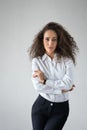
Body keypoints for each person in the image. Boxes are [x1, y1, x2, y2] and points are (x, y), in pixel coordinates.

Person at [29, 22, 79, 130]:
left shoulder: (67, 60)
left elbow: (68, 83)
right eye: (47, 39)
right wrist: (61, 90)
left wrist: (46, 81)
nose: (50, 43)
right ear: (42, 40)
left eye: (54, 39)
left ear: (58, 41)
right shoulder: (37, 61)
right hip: (40, 106)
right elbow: (38, 87)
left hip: (60, 110)